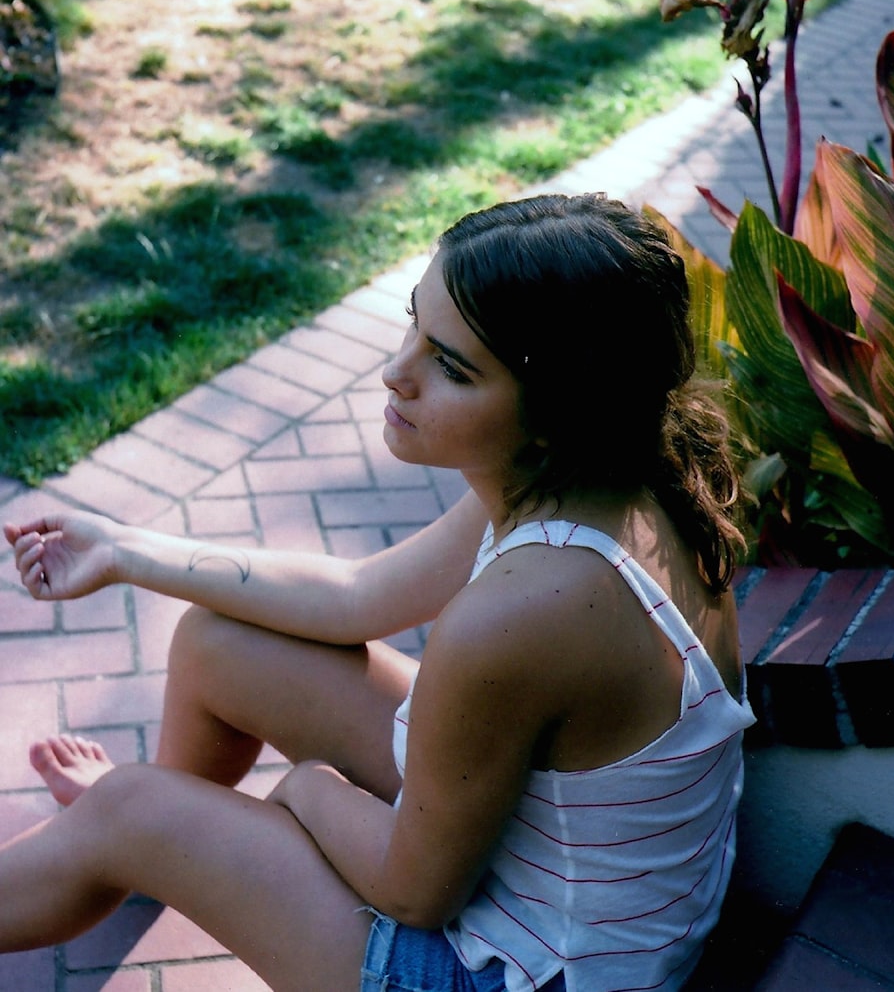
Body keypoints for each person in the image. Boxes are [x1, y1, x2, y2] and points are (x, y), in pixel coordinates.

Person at [1, 192, 754, 992]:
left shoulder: (525, 613)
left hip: (518, 973)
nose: (397, 372)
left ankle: (130, 835)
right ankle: (139, 852)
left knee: (132, 809)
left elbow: (413, 892)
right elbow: (355, 595)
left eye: (452, 367)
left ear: (557, 410)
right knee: (220, 642)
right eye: (414, 326)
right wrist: (124, 550)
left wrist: (305, 791)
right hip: (554, 877)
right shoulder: (599, 476)